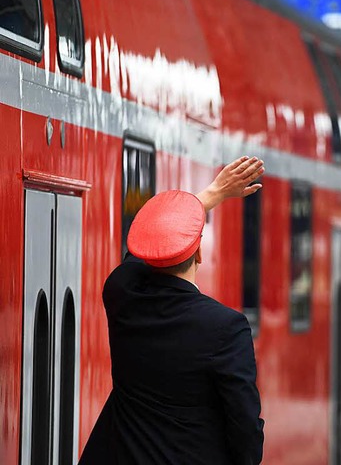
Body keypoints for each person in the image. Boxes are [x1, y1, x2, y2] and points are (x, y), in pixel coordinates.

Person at [79, 156, 266, 465]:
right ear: (200, 253)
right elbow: (245, 434)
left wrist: (210, 196)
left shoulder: (122, 295)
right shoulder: (226, 328)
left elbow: (141, 253)